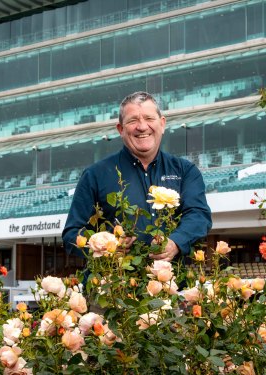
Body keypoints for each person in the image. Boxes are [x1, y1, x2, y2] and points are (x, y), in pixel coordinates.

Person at [62, 91, 212, 262]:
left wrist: (176, 242)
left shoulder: (185, 171)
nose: (142, 126)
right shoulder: (95, 175)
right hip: (113, 285)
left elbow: (199, 215)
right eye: (133, 120)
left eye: (149, 119)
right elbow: (71, 235)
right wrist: (107, 245)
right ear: (121, 129)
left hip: (172, 284)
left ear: (162, 124)